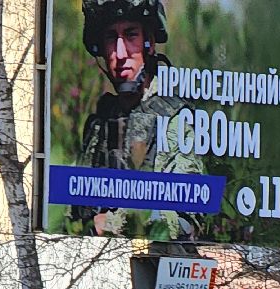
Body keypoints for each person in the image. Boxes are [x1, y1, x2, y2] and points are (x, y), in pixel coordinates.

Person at [72, 0, 201, 238]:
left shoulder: (175, 119)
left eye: (131, 35)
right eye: (111, 38)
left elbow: (186, 217)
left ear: (149, 44)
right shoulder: (100, 123)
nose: (120, 54)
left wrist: (114, 223)